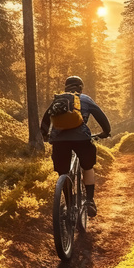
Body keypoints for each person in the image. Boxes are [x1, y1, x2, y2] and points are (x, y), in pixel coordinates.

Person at [41, 75, 111, 217]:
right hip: (81, 139)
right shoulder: (85, 99)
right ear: (80, 87)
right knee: (87, 166)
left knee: (63, 172)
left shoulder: (58, 100)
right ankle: (90, 201)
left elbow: (45, 118)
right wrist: (106, 131)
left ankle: (69, 204)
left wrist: (45, 136)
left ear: (66, 87)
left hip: (59, 141)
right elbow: (101, 116)